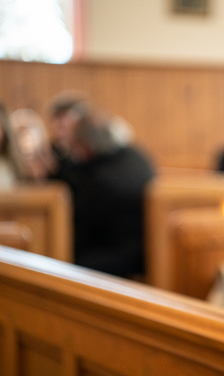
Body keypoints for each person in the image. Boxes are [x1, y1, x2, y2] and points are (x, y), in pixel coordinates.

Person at [48, 93, 156, 278]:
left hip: (124, 257)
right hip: (146, 249)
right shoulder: (136, 156)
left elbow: (77, 219)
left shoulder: (101, 179)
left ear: (84, 148)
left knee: (56, 257)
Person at [9, 108, 56, 181]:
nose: (25, 136)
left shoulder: (54, 158)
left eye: (30, 130)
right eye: (20, 133)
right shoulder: (8, 166)